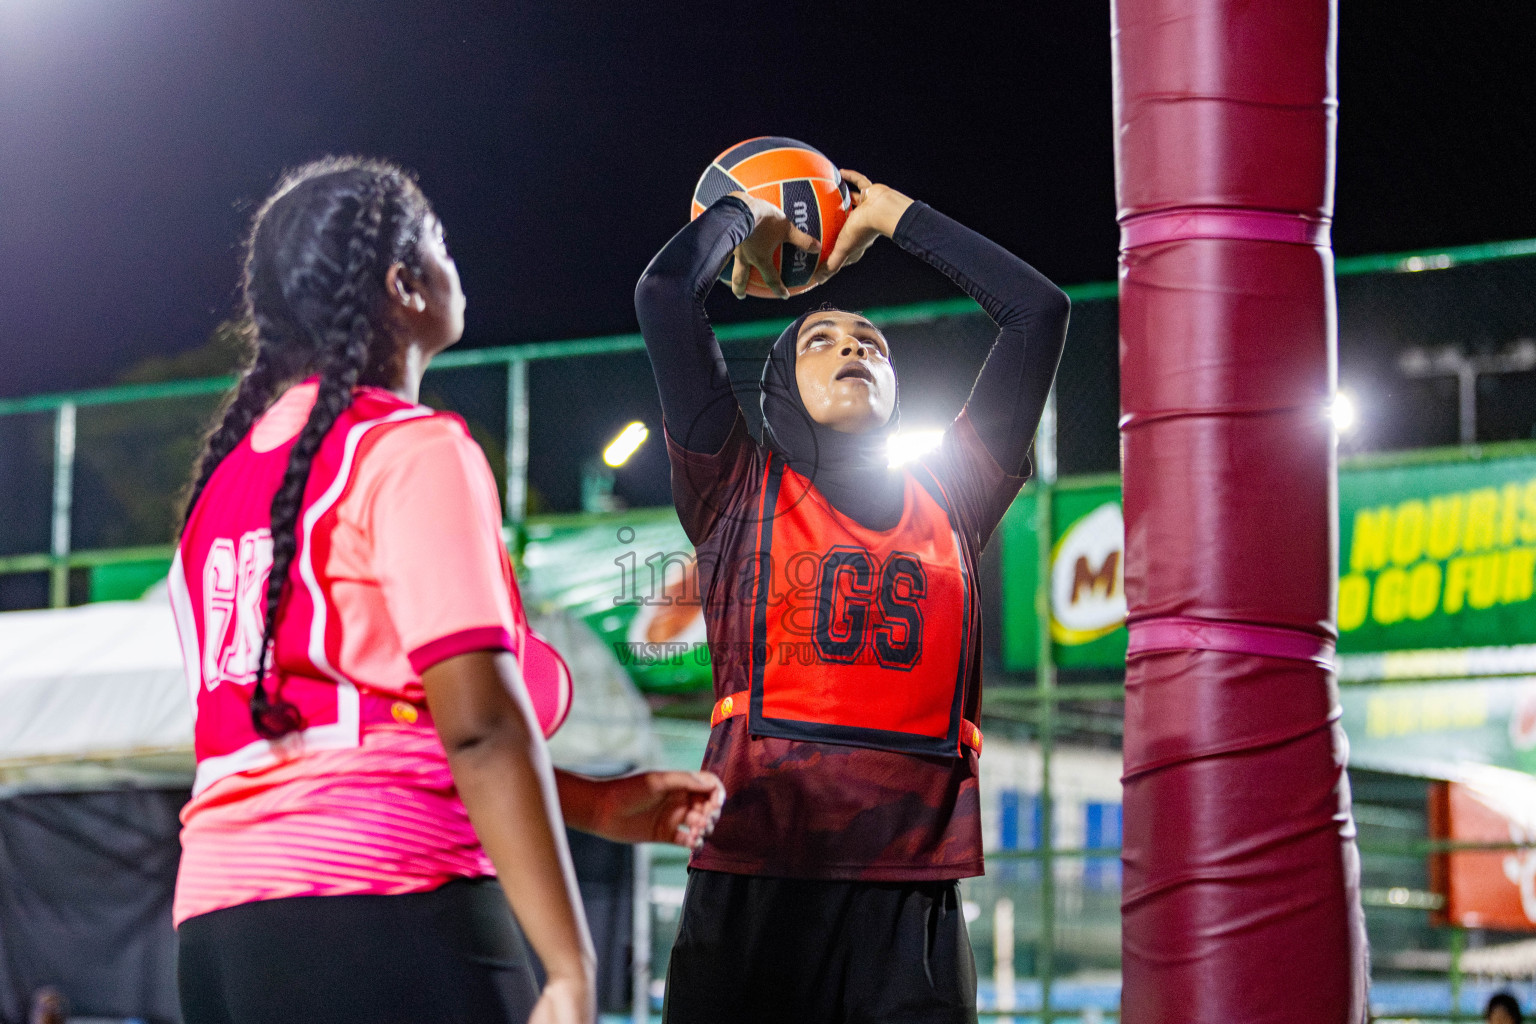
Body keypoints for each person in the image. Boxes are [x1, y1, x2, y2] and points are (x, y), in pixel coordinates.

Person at [170, 157, 723, 1024]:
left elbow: (347, 730)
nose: (455, 269)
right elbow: (479, 727)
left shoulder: (222, 491)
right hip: (389, 902)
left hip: (219, 930)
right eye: (442, 248)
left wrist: (595, 803)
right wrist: (570, 967)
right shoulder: (411, 448)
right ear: (403, 285)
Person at [635, 169, 1069, 1023]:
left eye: (872, 341)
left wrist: (892, 215)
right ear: (779, 386)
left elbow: (1039, 311)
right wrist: (747, 208)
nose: (853, 349)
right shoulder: (733, 484)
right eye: (822, 339)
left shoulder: (955, 493)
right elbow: (663, 294)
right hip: (754, 877)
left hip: (910, 902)